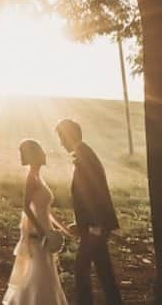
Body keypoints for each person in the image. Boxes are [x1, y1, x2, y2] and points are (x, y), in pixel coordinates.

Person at [54, 118, 123, 305]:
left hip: (96, 226)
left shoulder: (85, 157)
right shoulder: (84, 154)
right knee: (103, 269)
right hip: (94, 225)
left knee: (81, 268)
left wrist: (94, 226)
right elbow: (88, 195)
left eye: (61, 137)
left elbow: (95, 193)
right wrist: (83, 223)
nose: (60, 143)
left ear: (70, 135)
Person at [1, 138, 70, 305]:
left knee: (45, 272)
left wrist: (64, 229)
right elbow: (26, 207)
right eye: (41, 151)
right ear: (36, 155)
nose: (45, 154)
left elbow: (47, 210)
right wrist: (42, 232)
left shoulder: (39, 177)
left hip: (46, 230)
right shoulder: (31, 178)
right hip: (38, 232)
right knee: (40, 273)